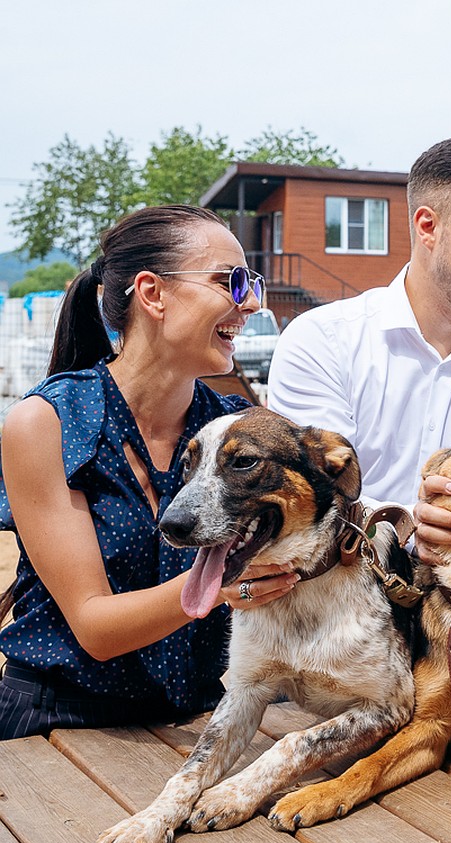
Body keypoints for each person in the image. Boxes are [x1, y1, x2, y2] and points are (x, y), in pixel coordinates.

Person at [0, 205, 298, 739]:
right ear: (153, 293)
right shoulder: (45, 422)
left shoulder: (231, 429)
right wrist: (228, 585)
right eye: (229, 281)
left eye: (250, 282)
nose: (250, 302)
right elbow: (94, 627)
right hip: (57, 725)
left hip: (192, 722)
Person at [268, 136, 451, 596]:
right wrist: (404, 525)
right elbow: (313, 494)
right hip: (340, 625)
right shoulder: (322, 340)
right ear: (428, 226)